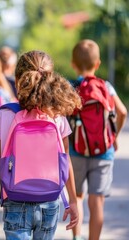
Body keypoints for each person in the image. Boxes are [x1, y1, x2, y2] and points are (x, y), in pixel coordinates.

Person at [0, 50, 81, 239]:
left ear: (17, 80)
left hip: (15, 199)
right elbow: (66, 160)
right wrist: (73, 201)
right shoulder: (56, 115)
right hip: (49, 200)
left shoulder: (5, 114)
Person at [69, 39, 127, 240]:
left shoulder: (71, 88)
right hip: (104, 150)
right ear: (98, 63)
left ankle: (77, 237)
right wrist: (114, 136)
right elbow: (122, 112)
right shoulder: (106, 87)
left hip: (76, 150)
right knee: (97, 201)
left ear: (73, 64)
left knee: (77, 197)